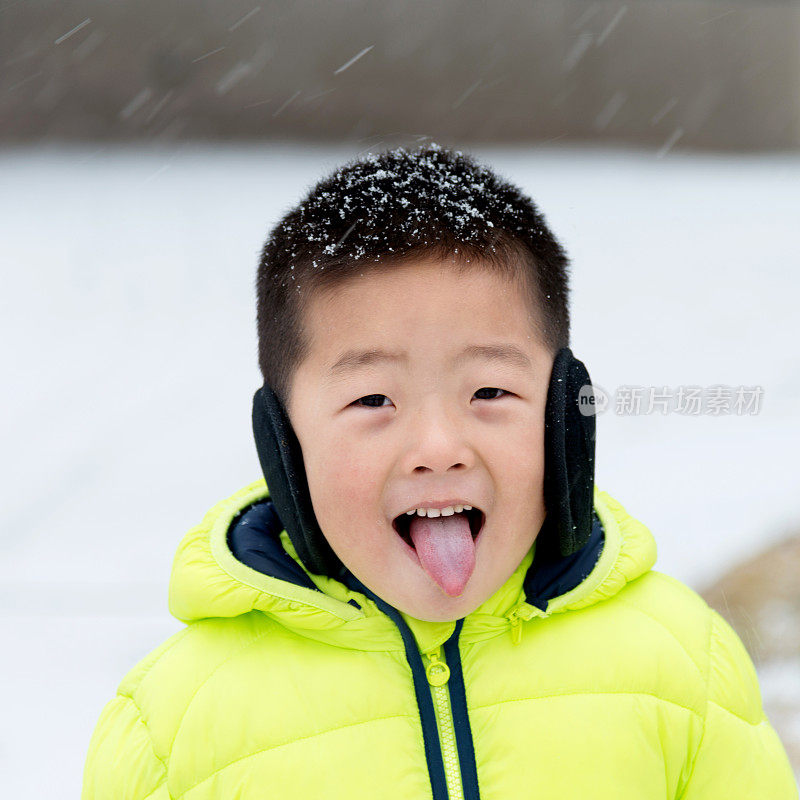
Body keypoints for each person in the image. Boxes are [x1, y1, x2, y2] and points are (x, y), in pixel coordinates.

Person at [81, 144, 797, 799]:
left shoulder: (680, 665)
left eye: (489, 391)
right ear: (284, 444)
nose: (437, 446)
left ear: (561, 418)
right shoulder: (171, 729)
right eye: (372, 399)